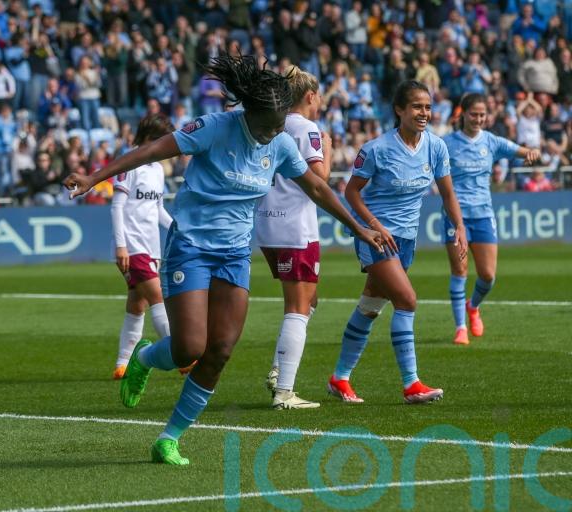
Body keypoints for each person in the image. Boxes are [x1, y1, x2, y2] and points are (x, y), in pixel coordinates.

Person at [64, 55, 383, 465]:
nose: (277, 130)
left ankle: (170, 438)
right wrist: (95, 179)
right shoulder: (214, 128)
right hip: (192, 247)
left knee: (220, 350)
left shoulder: (281, 142)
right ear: (249, 113)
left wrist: (360, 229)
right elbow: (149, 152)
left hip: (234, 254)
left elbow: (319, 190)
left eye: (282, 121)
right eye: (271, 123)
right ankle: (145, 357)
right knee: (188, 348)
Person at [327, 80, 468, 405]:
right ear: (399, 110)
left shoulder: (435, 147)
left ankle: (339, 378)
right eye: (417, 106)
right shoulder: (376, 149)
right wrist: (373, 225)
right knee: (407, 300)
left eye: (428, 107)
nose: (424, 113)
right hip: (376, 238)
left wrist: (459, 226)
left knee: (371, 306)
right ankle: (411, 384)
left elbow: (447, 193)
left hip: (405, 240)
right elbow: (351, 192)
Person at [254, 67, 329, 410]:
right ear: (310, 96)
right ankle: (284, 391)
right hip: (295, 227)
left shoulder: (272, 124)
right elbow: (319, 180)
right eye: (320, 95)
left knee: (308, 301)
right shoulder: (307, 128)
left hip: (269, 224)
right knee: (298, 307)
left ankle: (277, 369)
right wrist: (326, 148)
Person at [443, 93, 541, 345]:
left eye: (482, 115)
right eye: (473, 114)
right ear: (462, 113)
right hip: (456, 218)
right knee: (460, 271)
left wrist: (531, 152)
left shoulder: (492, 141)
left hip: (483, 215)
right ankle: (460, 328)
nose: (478, 119)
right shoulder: (446, 144)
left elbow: (520, 150)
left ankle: (473, 306)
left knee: (487, 276)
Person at [110, 114, 175, 380]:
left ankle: (122, 364)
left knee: (138, 304)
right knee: (158, 297)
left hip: (152, 246)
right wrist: (121, 246)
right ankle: (182, 356)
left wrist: (177, 229)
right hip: (134, 246)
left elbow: (157, 208)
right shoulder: (130, 162)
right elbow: (117, 206)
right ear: (151, 139)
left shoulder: (157, 169)